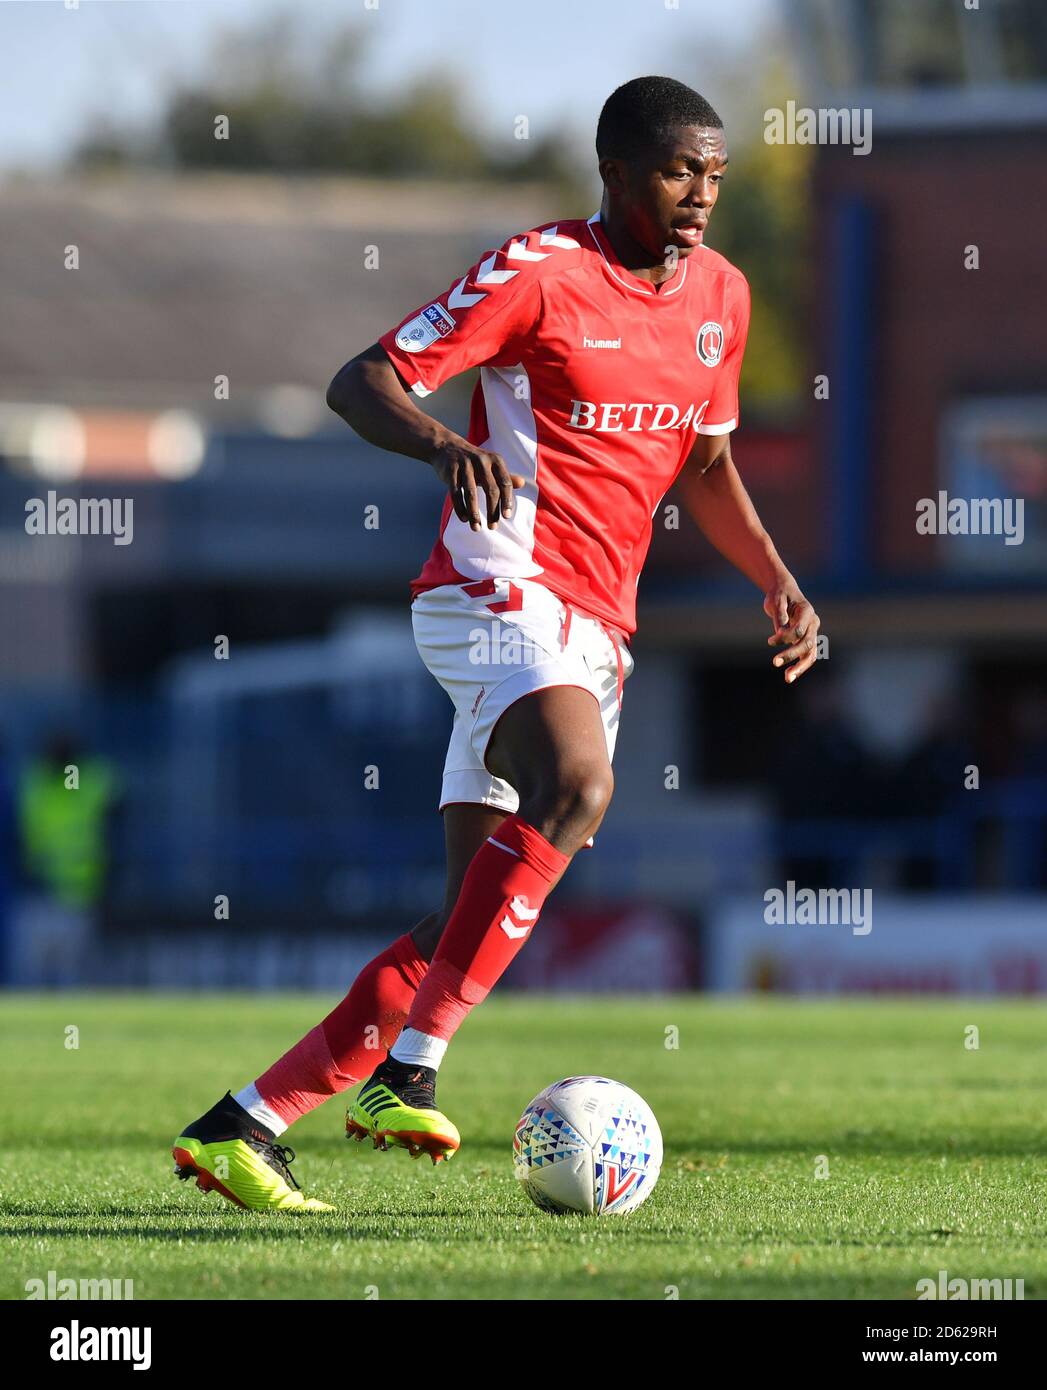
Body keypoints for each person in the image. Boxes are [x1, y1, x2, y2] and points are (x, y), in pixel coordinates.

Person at [172, 76, 821, 1212]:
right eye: (678, 171)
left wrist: (776, 579)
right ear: (615, 173)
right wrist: (438, 446)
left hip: (596, 632)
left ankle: (245, 1125)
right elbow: (360, 380)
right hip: (495, 588)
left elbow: (709, 467)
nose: (701, 195)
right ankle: (411, 1070)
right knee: (579, 784)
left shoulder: (723, 294)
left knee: (462, 917)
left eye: (714, 174)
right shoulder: (541, 273)